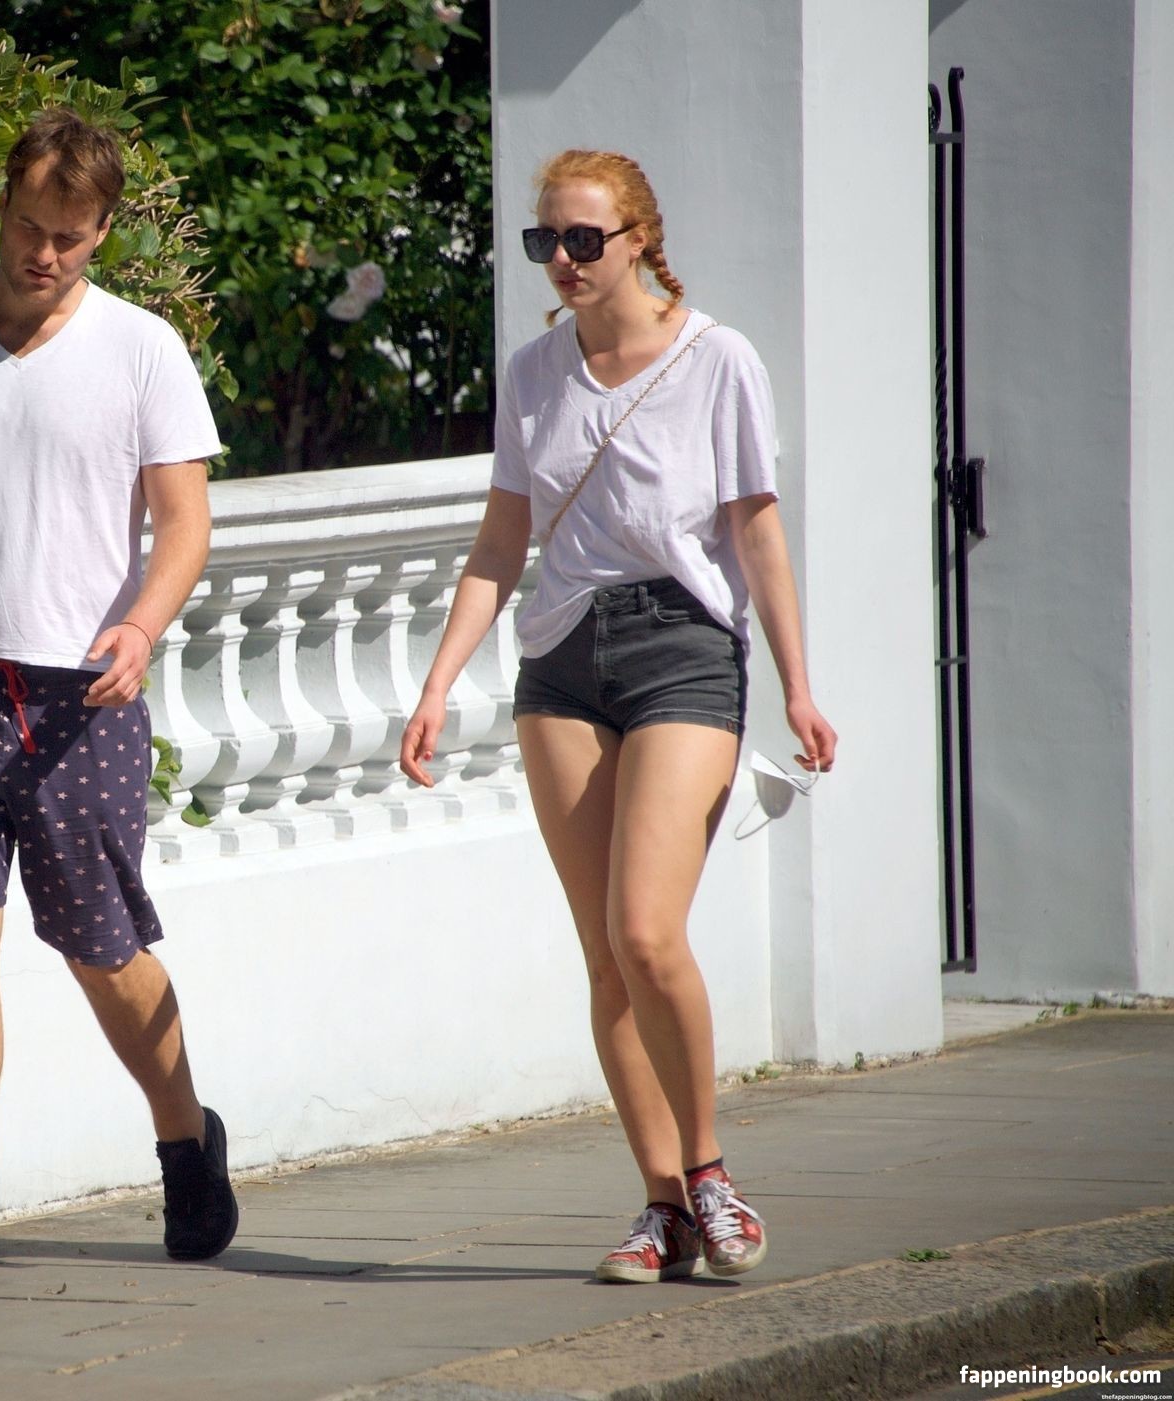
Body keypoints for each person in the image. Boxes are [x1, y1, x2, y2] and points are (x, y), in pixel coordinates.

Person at [399, 149, 836, 1284]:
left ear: (641, 238)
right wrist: (439, 684)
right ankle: (662, 1205)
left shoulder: (718, 358)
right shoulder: (534, 373)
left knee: (647, 930)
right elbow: (502, 541)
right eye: (545, 239)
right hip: (561, 658)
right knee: (605, 957)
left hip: (683, 648)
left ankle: (710, 1171)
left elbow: (755, 530)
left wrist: (795, 682)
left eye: (584, 239)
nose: (562, 259)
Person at [0, 108, 239, 1287]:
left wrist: (142, 625)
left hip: (84, 700)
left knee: (101, 947)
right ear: (1, 209)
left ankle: (185, 1133)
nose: (44, 253)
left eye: (70, 235)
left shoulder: (143, 351)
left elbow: (185, 524)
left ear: (104, 230)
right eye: (28, 226)